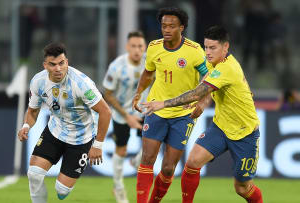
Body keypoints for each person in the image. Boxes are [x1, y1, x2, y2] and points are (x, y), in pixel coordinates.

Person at [142, 25, 263, 203]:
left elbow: (199, 91)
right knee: (192, 162)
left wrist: (164, 103)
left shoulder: (228, 68)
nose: (207, 52)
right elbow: (205, 83)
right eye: (206, 47)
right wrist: (202, 101)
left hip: (245, 133)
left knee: (242, 188)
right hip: (221, 127)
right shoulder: (212, 62)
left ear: (226, 47)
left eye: (212, 48)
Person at [18, 42, 112, 203]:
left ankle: (65, 183)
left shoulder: (81, 83)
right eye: (53, 65)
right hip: (55, 132)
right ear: (45, 65)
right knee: (33, 174)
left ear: (67, 62)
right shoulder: (38, 82)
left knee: (61, 192)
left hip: (81, 139)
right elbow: (33, 111)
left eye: (61, 63)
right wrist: (26, 125)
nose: (58, 69)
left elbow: (105, 112)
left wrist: (98, 145)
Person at [132, 7, 208, 203]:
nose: (166, 29)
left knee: (168, 168)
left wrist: (203, 100)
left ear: (181, 28)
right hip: (155, 109)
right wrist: (138, 93)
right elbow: (148, 73)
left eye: (171, 26)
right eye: (164, 25)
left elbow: (209, 78)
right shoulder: (154, 47)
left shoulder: (194, 51)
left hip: (183, 114)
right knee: (147, 159)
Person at [102, 31, 147, 203]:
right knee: (122, 149)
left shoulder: (149, 63)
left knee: (152, 147)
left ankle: (137, 162)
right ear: (127, 47)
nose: (137, 50)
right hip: (122, 115)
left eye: (140, 46)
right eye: (133, 46)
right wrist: (126, 116)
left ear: (144, 48)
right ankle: (118, 186)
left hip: (143, 110)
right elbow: (108, 94)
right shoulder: (117, 66)